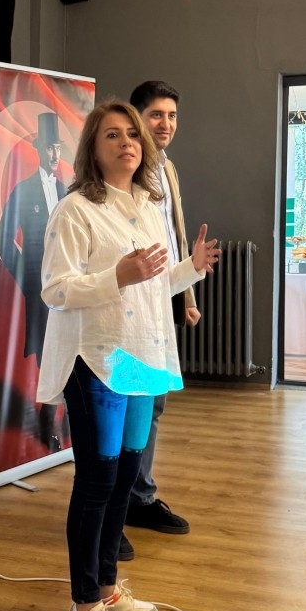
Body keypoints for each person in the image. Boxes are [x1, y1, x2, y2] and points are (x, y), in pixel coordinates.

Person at [36, 99, 219, 611]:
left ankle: (107, 587)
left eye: (132, 135)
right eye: (112, 135)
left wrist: (190, 269)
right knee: (97, 481)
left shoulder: (148, 205)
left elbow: (151, 287)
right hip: (97, 359)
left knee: (123, 481)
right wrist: (116, 274)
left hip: (142, 358)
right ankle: (83, 607)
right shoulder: (75, 210)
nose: (127, 143)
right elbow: (56, 289)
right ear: (93, 148)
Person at [122, 79, 199, 555]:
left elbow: (176, 234)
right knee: (130, 403)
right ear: (136, 116)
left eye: (171, 116)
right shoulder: (125, 169)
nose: (165, 124)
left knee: (153, 403)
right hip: (131, 300)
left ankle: (139, 497)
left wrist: (186, 295)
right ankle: (115, 509)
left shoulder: (167, 168)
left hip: (164, 292)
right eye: (156, 115)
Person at [0, 111, 67, 447]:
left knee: (67, 352)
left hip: (69, 289)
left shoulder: (66, 190)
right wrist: (27, 279)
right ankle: (46, 421)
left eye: (58, 147)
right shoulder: (24, 191)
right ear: (39, 149)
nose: (55, 154)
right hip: (39, 291)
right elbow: (4, 238)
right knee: (46, 355)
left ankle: (59, 417)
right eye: (49, 147)